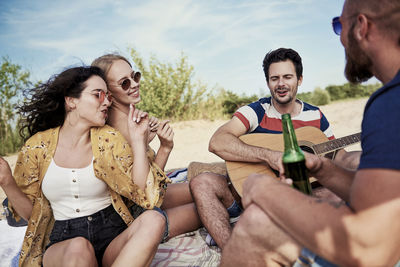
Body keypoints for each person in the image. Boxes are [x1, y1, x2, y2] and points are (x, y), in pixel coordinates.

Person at [220, 0, 400, 266]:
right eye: (274, 78)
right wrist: (324, 169)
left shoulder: (388, 104)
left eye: (339, 25)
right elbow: (378, 198)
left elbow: (371, 247)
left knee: (256, 221)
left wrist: (265, 191)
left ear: (361, 27)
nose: (339, 40)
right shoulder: (255, 109)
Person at [189, 47, 361, 249]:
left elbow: (337, 156)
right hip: (243, 194)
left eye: (287, 77)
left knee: (340, 190)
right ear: (268, 82)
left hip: (297, 197)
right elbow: (217, 142)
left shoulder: (315, 115)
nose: (281, 84)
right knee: (201, 183)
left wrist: (359, 159)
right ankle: (232, 252)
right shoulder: (256, 111)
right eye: (274, 78)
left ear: (300, 79)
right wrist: (269, 156)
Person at [0, 66, 169, 267]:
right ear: (71, 100)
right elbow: (31, 215)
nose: (107, 101)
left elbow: (143, 193)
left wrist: (138, 140)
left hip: (111, 236)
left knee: (155, 219)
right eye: (98, 95)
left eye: (108, 96)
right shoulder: (37, 147)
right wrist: (7, 182)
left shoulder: (109, 139)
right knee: (79, 247)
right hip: (63, 244)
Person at [92, 54, 201, 240]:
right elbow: (145, 193)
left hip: (149, 199)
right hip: (137, 215)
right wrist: (164, 147)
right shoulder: (120, 131)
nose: (134, 84)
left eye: (135, 76)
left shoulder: (130, 119)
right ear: (108, 92)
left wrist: (147, 141)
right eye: (124, 83)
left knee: (205, 186)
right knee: (208, 202)